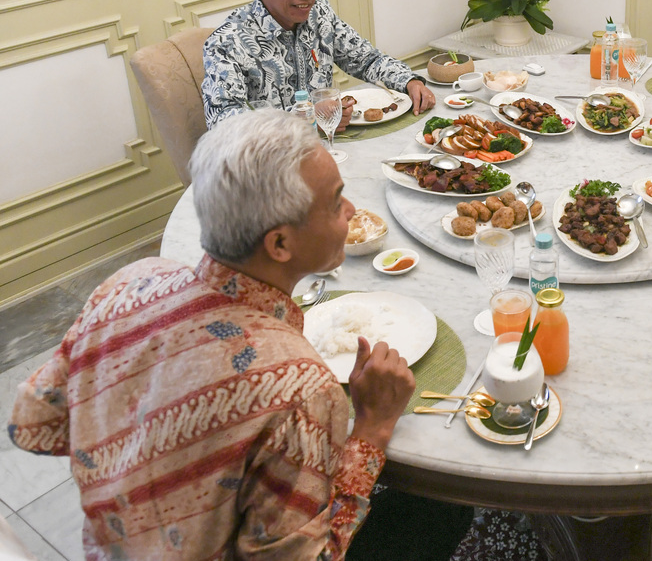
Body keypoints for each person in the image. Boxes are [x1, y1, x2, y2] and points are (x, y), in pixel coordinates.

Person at [8, 111, 470, 560]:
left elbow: (33, 425)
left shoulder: (129, 283)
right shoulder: (300, 389)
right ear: (280, 244)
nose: (351, 211)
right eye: (335, 203)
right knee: (442, 510)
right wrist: (373, 427)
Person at [202, 0, 437, 129]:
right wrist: (306, 118)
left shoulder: (319, 13)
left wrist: (409, 81)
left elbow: (367, 60)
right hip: (271, 162)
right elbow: (222, 123)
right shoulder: (227, 42)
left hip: (332, 147)